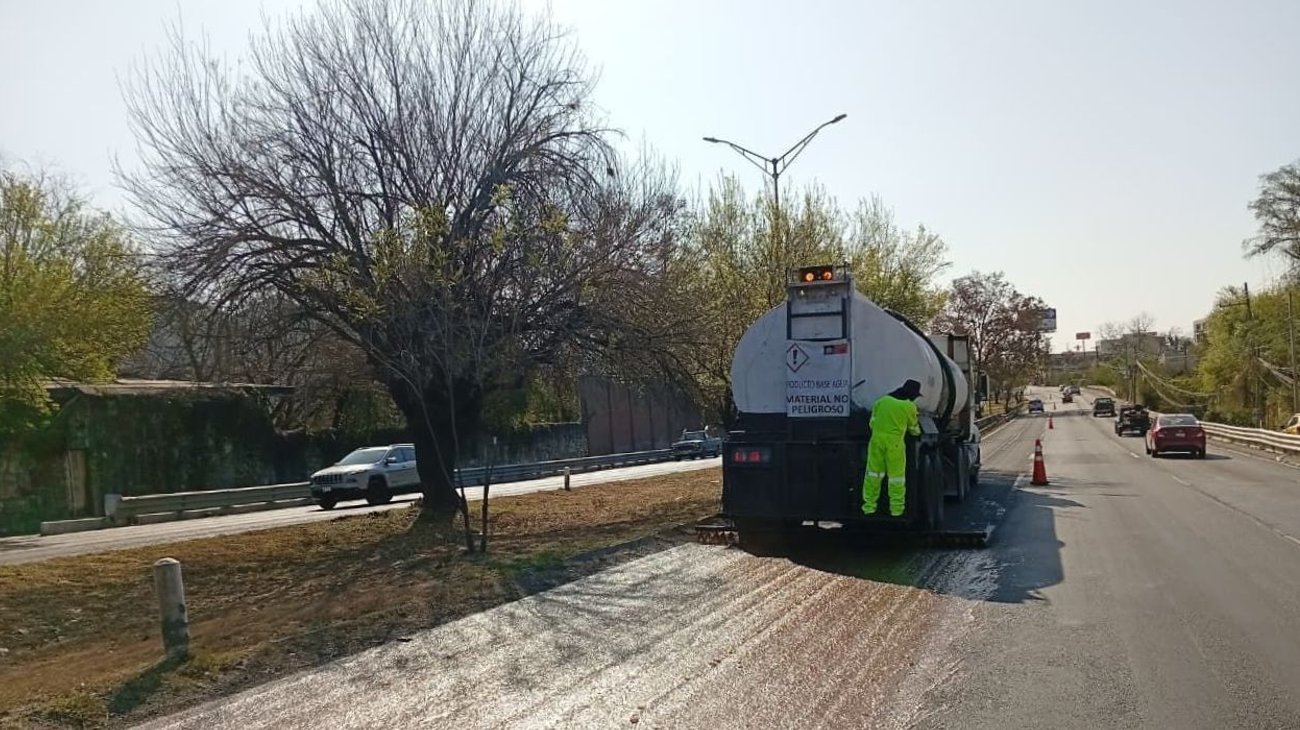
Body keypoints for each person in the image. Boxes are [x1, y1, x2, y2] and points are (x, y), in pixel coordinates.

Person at [862, 379, 923, 517]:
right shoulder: (909, 406)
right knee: (896, 477)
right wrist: (917, 433)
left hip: (876, 441)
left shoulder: (881, 401)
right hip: (895, 444)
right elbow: (913, 429)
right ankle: (896, 510)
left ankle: (869, 507)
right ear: (912, 394)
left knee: (873, 474)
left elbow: (872, 423)